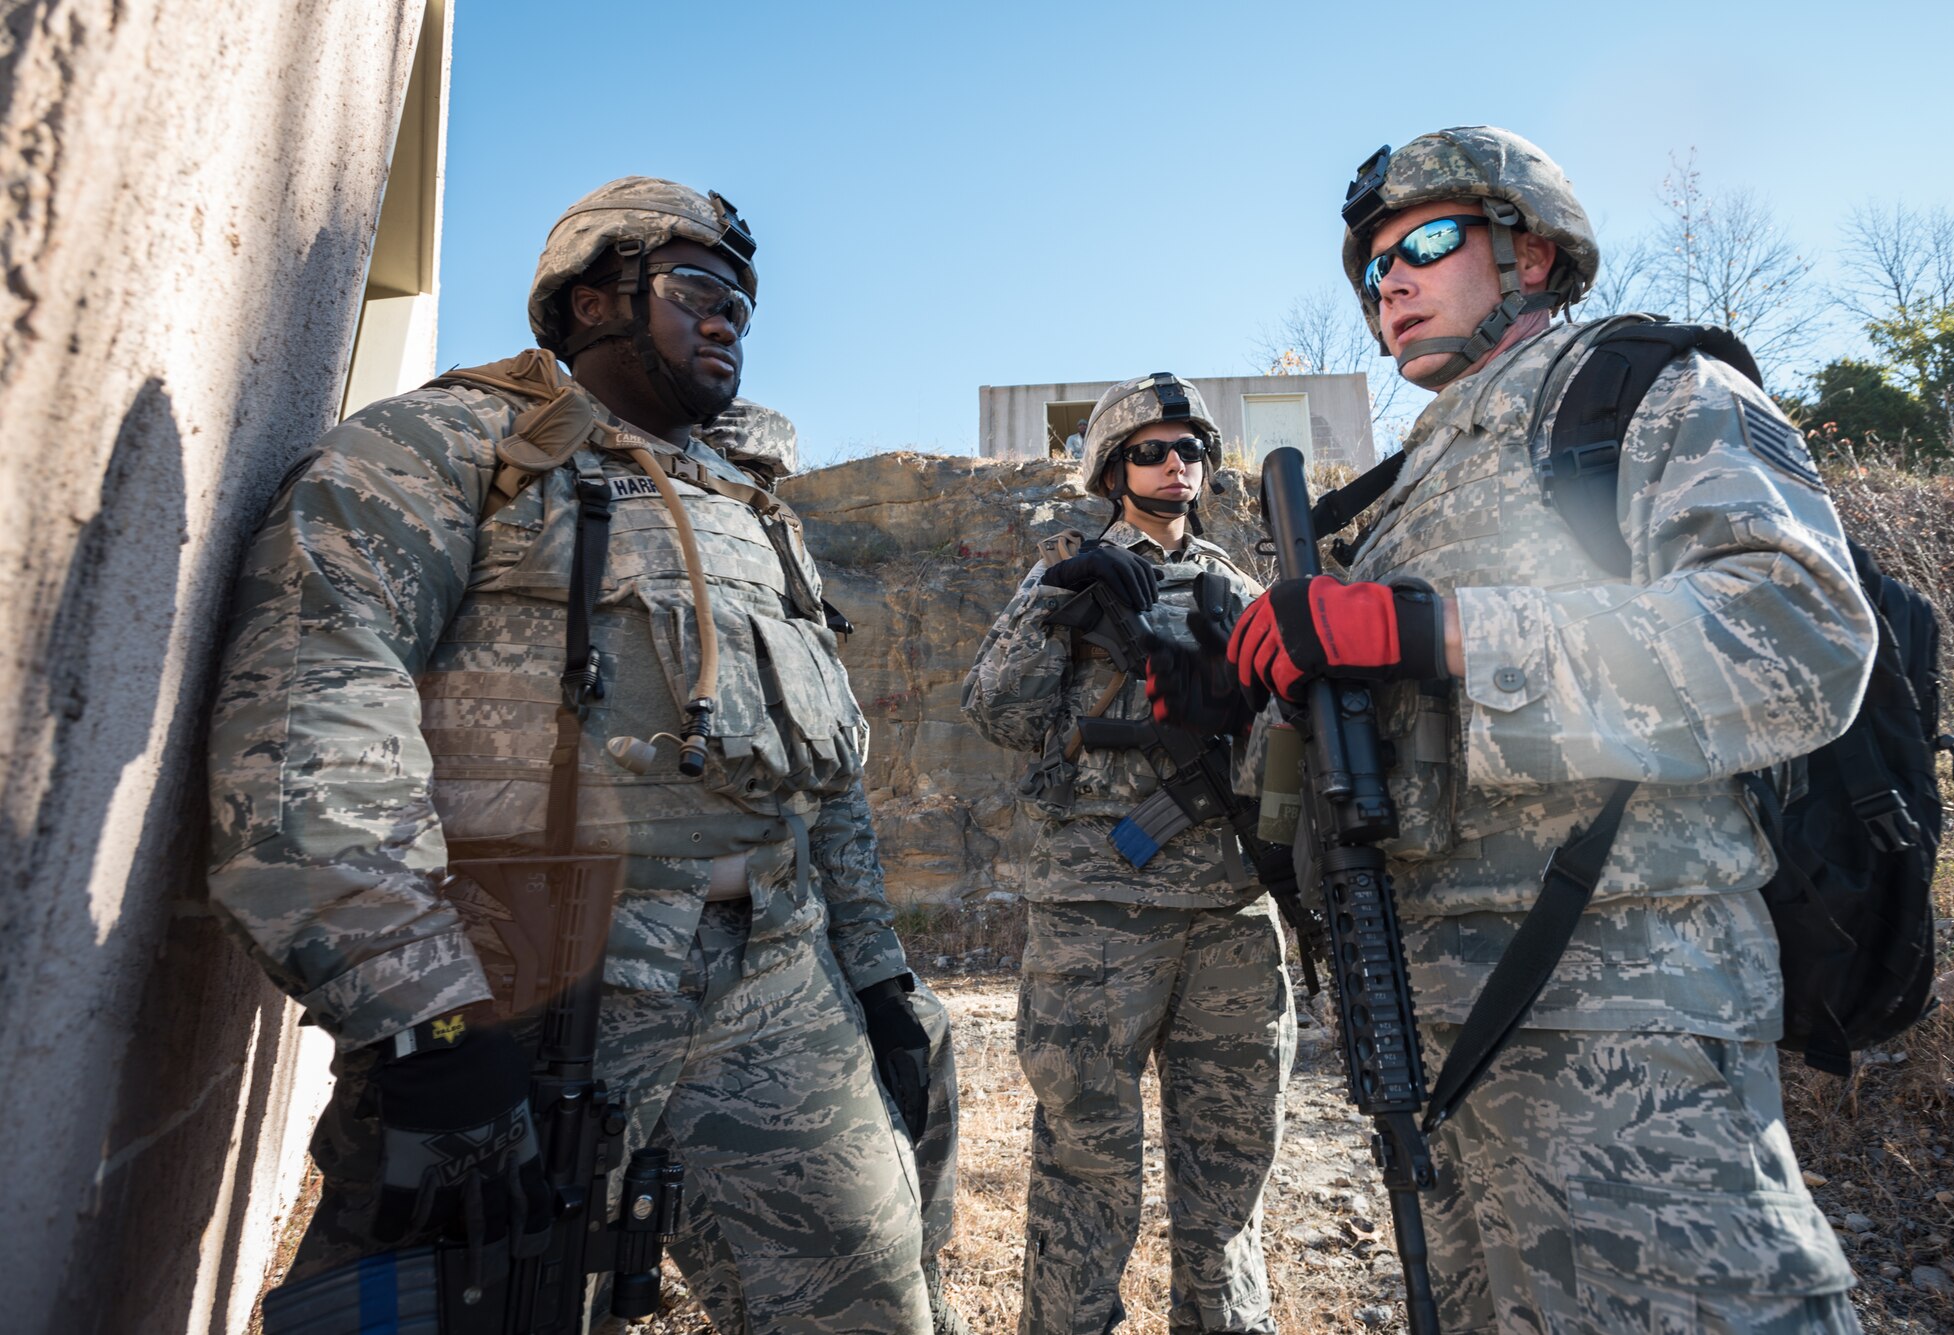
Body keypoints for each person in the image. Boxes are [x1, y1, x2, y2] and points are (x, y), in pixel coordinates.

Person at [207, 176, 964, 1334]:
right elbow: (310, 714)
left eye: (744, 309)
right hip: (518, 998)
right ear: (592, 298)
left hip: (775, 983)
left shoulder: (752, 514)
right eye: (700, 289)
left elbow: (819, 781)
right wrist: (421, 1016)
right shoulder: (448, 447)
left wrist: (874, 975)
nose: (729, 322)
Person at [1167, 127, 1869, 1331]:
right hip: (1432, 1030)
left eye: (1423, 244)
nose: (1386, 279)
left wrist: (1430, 634)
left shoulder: (1635, 391)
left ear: (1530, 253)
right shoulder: (1410, 484)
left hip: (1622, 1025)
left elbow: (1797, 643)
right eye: (1370, 266)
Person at [962, 373, 1297, 1335]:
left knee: (1231, 1168)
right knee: (1087, 1160)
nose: (1175, 463)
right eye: (1150, 449)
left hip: (1231, 911)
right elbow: (999, 714)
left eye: (1189, 447)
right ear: (1114, 470)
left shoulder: (1236, 582)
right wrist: (1053, 615)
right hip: (1098, 909)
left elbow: (1284, 733)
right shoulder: (1063, 576)